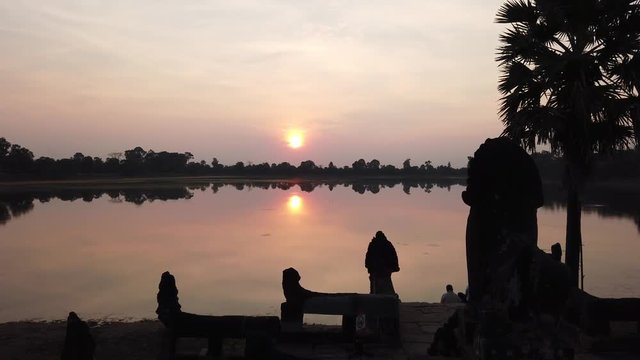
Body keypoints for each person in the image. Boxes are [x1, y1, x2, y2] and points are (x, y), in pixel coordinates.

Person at [365, 230, 399, 295]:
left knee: (378, 290)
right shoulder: (386, 244)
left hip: (380, 270)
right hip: (380, 270)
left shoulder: (374, 244)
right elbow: (393, 256)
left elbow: (368, 257)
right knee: (380, 289)